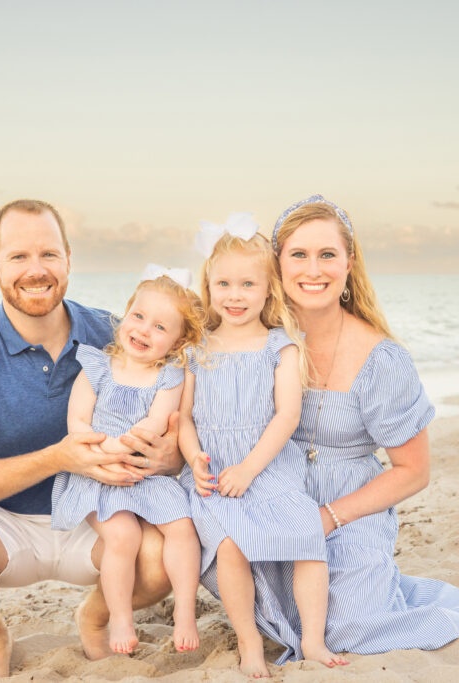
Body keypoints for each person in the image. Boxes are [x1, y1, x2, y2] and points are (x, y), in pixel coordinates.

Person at [0, 199, 183, 679]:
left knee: (166, 555)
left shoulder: (117, 335)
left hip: (100, 517)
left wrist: (167, 458)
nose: (36, 270)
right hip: (2, 524)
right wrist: (59, 457)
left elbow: (174, 426)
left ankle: (94, 617)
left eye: (49, 255)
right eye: (18, 256)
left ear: (68, 259)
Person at [255, 194, 459, 663]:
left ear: (349, 263)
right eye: (298, 254)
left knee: (348, 629)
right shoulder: (254, 338)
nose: (314, 269)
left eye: (327, 254)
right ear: (277, 264)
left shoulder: (381, 359)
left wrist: (329, 517)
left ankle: (384, 585)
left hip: (351, 507)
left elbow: (412, 470)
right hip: (275, 494)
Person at [179, 213, 349, 679]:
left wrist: (251, 469)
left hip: (267, 465)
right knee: (231, 546)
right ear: (209, 286)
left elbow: (287, 416)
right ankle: (250, 640)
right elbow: (184, 419)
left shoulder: (280, 346)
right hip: (215, 470)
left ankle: (312, 639)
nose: (235, 296)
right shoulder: (196, 349)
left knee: (306, 537)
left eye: (248, 285)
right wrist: (194, 457)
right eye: (224, 285)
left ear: (268, 290)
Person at [50, 267, 205, 655]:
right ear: (124, 316)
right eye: (137, 317)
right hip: (96, 470)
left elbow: (157, 421)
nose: (143, 330)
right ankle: (119, 618)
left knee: (183, 527)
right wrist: (109, 453)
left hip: (143, 471)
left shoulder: (169, 376)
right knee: (124, 537)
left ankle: (185, 611)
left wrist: (131, 447)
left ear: (177, 340)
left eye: (159, 327)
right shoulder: (97, 367)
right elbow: (77, 422)